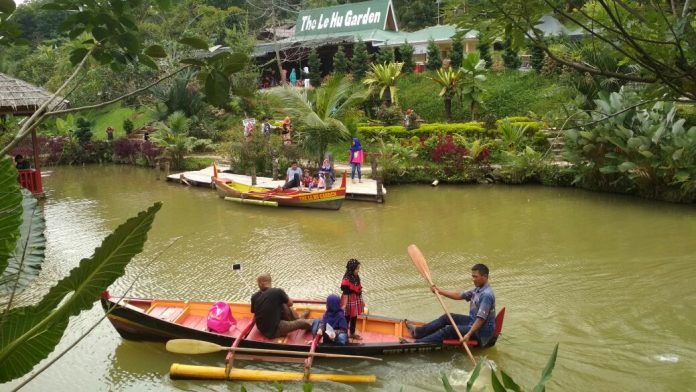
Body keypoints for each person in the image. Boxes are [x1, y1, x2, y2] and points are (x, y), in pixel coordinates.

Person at [406, 264, 496, 346]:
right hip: (472, 322)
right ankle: (418, 332)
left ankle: (418, 342)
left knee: (449, 329)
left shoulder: (486, 295)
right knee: (448, 317)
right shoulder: (477, 289)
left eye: (475, 277)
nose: (473, 279)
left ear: (485, 277)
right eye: (472, 276)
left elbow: (481, 319)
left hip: (480, 331)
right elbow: (459, 295)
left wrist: (468, 334)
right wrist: (439, 291)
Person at [251, 274, 312, 339]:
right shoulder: (277, 291)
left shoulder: (254, 296)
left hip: (261, 329)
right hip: (274, 330)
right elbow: (290, 303)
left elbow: (254, 311)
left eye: (257, 283)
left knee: (282, 303)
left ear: (262, 283)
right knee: (300, 323)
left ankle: (299, 318)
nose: (257, 284)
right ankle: (317, 323)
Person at [340, 258, 365, 340]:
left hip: (355, 299)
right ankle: (344, 333)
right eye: (357, 269)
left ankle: (352, 333)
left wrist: (362, 301)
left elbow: (359, 290)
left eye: (358, 269)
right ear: (352, 269)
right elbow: (346, 293)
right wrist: (345, 305)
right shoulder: (346, 280)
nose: (358, 271)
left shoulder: (356, 277)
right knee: (346, 317)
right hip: (348, 299)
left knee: (354, 316)